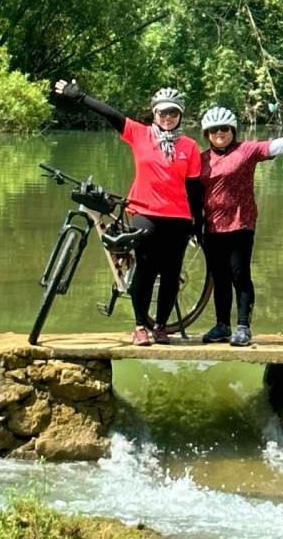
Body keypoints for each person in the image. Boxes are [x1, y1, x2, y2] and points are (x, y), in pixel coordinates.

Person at [54, 79, 203, 347]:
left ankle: (160, 327)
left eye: (173, 113)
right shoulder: (140, 134)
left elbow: (193, 188)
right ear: (154, 113)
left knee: (171, 273)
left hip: (178, 218)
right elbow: (110, 113)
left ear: (180, 114)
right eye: (162, 112)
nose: (167, 117)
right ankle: (139, 327)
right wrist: (79, 96)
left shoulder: (190, 147)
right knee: (145, 269)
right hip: (144, 212)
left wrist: (197, 222)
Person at [198, 105, 283, 347]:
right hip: (212, 227)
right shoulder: (203, 159)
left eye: (224, 128)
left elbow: (273, 146)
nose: (220, 133)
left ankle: (243, 326)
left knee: (239, 274)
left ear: (233, 130)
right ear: (207, 134)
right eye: (214, 130)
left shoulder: (246, 150)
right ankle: (222, 325)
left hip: (240, 223)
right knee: (220, 277)